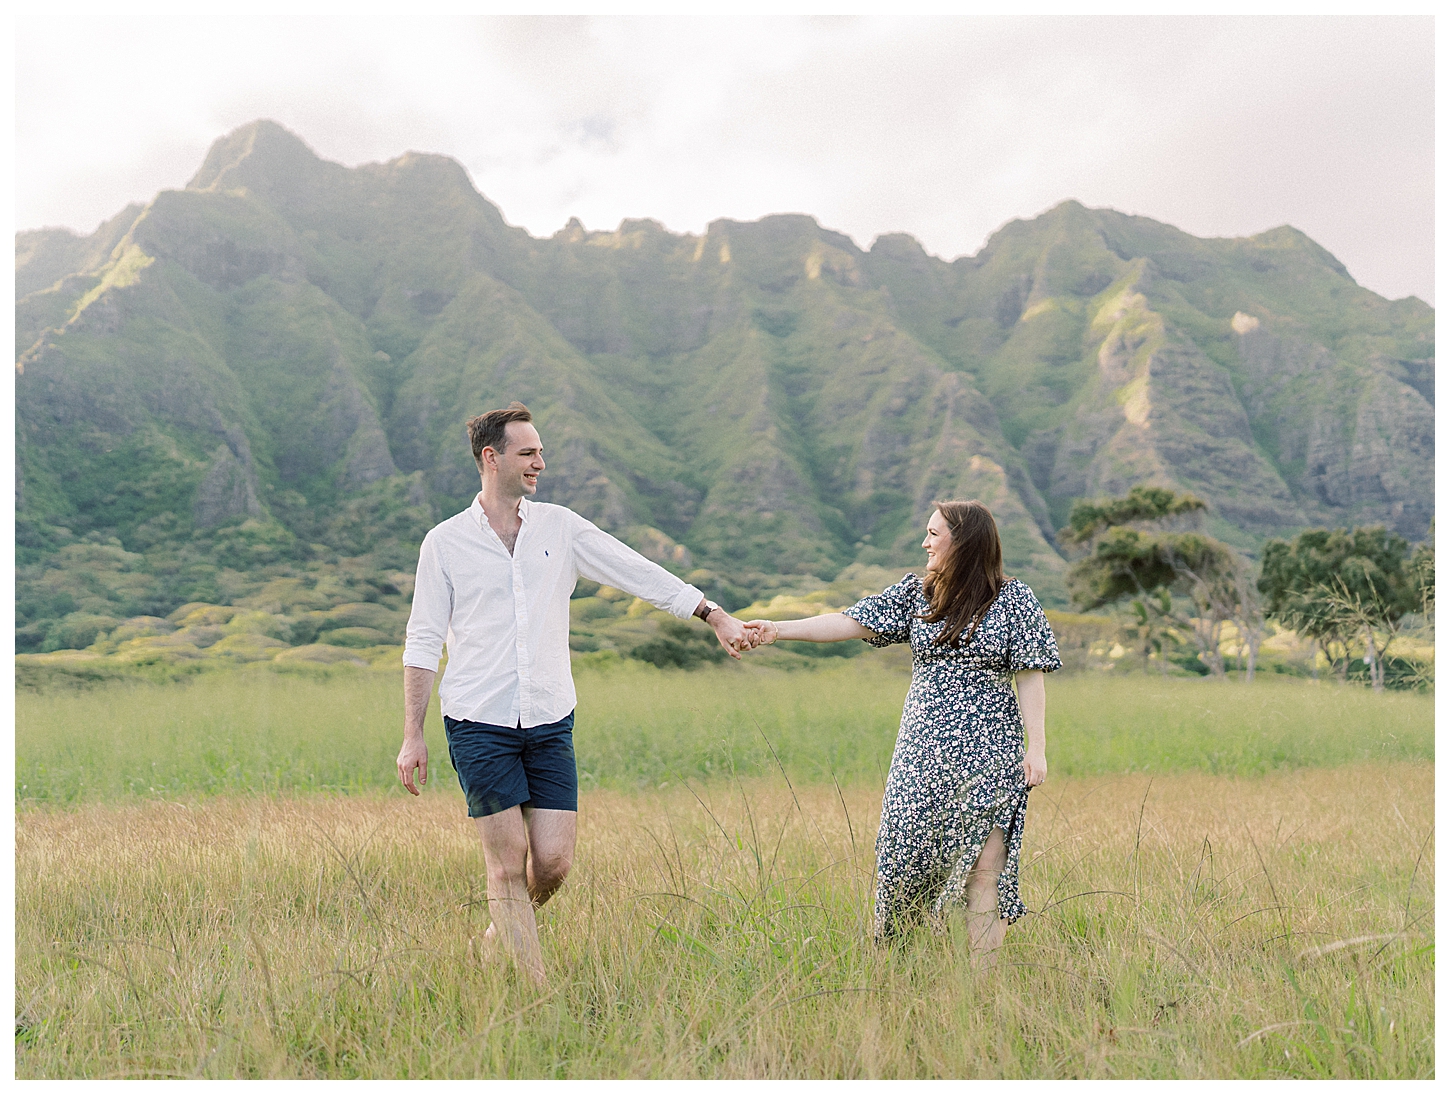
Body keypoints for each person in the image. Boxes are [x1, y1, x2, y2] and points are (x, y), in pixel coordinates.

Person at [396, 401, 753, 985]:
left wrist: (710, 613)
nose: (541, 462)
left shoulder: (561, 527)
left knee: (554, 864)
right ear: (492, 458)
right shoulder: (444, 543)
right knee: (507, 865)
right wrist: (413, 733)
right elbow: (423, 638)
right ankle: (536, 994)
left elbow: (634, 570)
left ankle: (496, 937)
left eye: (540, 451)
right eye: (528, 452)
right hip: (477, 719)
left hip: (548, 718)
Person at [743, 499, 1059, 961]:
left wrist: (1038, 747)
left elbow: (1030, 674)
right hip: (922, 752)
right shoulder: (917, 594)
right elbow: (850, 621)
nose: (924, 542)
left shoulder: (1015, 599)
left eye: (934, 533)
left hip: (994, 752)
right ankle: (897, 963)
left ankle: (982, 993)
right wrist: (777, 629)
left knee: (985, 870)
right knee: (904, 864)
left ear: (964, 540)